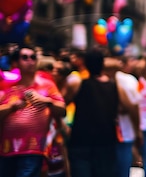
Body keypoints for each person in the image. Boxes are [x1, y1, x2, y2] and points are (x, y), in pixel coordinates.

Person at [0, 45, 66, 177]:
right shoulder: (6, 86)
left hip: (33, 149)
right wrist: (11, 107)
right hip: (6, 150)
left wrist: (48, 101)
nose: (30, 61)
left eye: (33, 57)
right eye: (25, 58)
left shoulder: (47, 85)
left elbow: (62, 110)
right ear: (15, 63)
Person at [65, 48, 128, 177]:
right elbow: (127, 107)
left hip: (81, 140)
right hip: (106, 141)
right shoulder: (114, 86)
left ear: (86, 64)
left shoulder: (77, 84)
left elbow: (62, 104)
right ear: (102, 64)